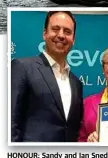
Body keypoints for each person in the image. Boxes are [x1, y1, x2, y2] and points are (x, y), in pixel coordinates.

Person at [11, 11, 83, 142]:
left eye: (67, 31)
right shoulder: (22, 67)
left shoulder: (76, 83)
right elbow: (9, 122)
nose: (61, 35)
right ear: (45, 34)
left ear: (73, 39)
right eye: (55, 29)